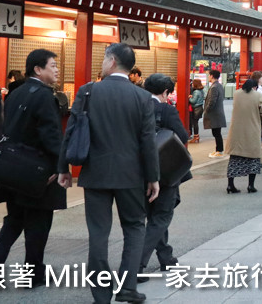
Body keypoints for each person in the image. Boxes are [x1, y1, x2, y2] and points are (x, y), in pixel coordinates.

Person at [57, 43, 159, 304]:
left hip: (96, 172)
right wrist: (153, 177)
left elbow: (71, 133)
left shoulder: (88, 92)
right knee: (135, 227)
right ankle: (127, 287)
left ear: (112, 61)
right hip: (131, 175)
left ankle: (101, 295)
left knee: (98, 233)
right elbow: (148, 141)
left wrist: (63, 168)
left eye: (104, 59)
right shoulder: (143, 98)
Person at [0, 49, 67, 288]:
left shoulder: (15, 93)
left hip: (12, 167)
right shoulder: (44, 96)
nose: (57, 69)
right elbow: (51, 137)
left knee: (14, 221)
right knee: (38, 225)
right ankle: (33, 275)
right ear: (38, 69)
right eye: (52, 65)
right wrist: (60, 167)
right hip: (37, 171)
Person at [138, 73, 191, 279]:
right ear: (166, 92)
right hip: (164, 170)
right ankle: (137, 264)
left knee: (153, 215)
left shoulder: (137, 106)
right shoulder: (166, 109)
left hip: (138, 170)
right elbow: (183, 136)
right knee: (161, 216)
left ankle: (166, 258)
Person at [225, 76, 262, 193]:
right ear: (254, 87)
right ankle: (250, 185)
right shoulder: (258, 95)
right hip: (252, 130)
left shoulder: (236, 94)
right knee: (253, 159)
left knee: (234, 159)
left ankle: (230, 185)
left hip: (236, 131)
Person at [203, 69, 226, 158]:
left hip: (214, 114)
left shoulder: (214, 87)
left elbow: (212, 101)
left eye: (209, 75)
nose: (208, 77)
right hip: (218, 114)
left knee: (216, 133)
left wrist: (206, 110)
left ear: (212, 76)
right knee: (217, 133)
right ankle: (218, 150)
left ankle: (219, 151)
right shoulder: (219, 85)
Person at [187, 78, 204, 143]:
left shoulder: (196, 92)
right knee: (196, 123)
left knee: (195, 123)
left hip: (196, 109)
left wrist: (189, 98)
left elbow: (193, 101)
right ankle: (196, 136)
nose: (192, 84)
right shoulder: (201, 91)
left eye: (193, 83)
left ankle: (196, 137)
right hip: (200, 108)